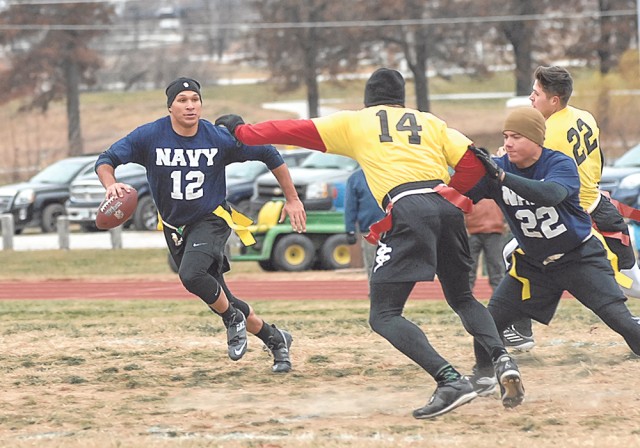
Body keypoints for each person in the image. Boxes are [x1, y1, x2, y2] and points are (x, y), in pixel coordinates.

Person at [215, 67, 524, 418]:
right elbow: (473, 165)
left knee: (385, 315)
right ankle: (502, 360)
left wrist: (240, 130)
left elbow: (293, 130)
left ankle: (449, 380)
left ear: (368, 98)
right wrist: (456, 195)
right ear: (402, 97)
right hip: (447, 207)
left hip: (408, 208)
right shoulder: (430, 122)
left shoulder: (358, 122)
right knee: (464, 298)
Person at [95, 77, 306, 373]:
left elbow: (268, 153)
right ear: (170, 106)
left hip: (212, 218)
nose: (190, 105)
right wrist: (111, 183)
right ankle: (276, 339)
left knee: (192, 276)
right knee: (222, 297)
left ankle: (232, 320)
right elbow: (106, 159)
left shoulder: (216, 137)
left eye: (195, 99)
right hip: (175, 227)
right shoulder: (150, 136)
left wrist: (292, 198)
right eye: (182, 100)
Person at [468, 107, 640, 397]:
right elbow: (461, 193)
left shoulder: (559, 163)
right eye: (506, 136)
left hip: (579, 257)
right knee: (489, 322)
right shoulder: (500, 167)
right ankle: (484, 376)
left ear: (536, 140)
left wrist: (502, 177)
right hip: (534, 264)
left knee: (621, 321)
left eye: (516, 137)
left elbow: (550, 195)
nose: (508, 143)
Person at [503, 65, 640, 351]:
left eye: (536, 93)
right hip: (600, 207)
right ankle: (519, 328)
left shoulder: (548, 133)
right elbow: (597, 157)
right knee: (631, 280)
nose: (531, 98)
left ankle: (521, 329)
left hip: (578, 219)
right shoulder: (584, 116)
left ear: (554, 100)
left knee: (627, 286)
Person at [344, 168, 385, 280]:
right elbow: (350, 206)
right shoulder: (356, 178)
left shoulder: (388, 173)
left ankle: (391, 293)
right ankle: (374, 293)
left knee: (392, 265)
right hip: (370, 230)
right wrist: (350, 229)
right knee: (372, 265)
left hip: (392, 229)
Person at [465, 197, 506, 292]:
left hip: (488, 230)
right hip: (489, 229)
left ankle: (467, 296)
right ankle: (498, 294)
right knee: (495, 266)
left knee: (495, 266)